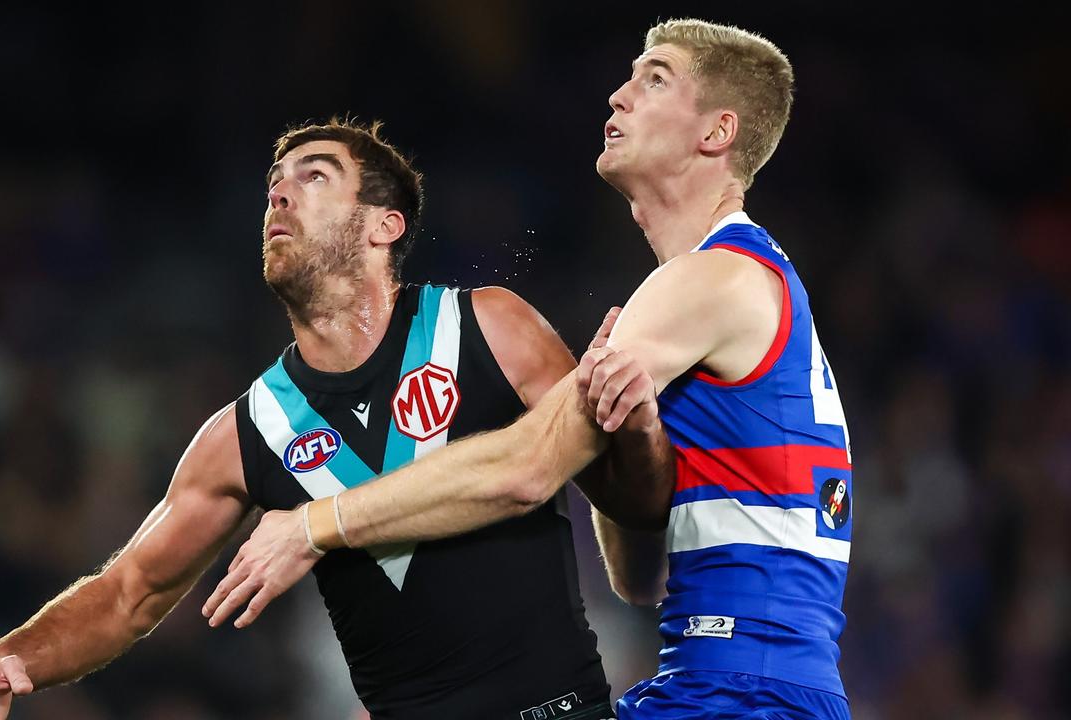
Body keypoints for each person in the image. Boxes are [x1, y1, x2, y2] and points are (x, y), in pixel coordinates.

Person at [206, 19, 855, 720]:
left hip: (742, 695)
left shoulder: (713, 279)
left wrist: (315, 523)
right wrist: (626, 431)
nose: (618, 96)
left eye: (655, 79)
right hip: (736, 686)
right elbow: (641, 579)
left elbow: (526, 468)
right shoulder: (719, 287)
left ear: (716, 133)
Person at [0, 118, 634, 720]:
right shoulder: (249, 433)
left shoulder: (490, 327)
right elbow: (126, 594)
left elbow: (633, 500)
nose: (279, 195)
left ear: (384, 224)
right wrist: (18, 654)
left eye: (315, 176)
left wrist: (629, 419)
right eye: (274, 184)